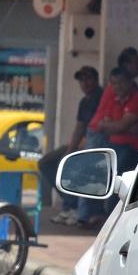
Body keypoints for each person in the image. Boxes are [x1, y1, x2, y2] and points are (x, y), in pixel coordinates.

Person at [78, 66, 138, 227]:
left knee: (115, 174)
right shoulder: (113, 100)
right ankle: (92, 214)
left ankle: (111, 220)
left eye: (121, 82)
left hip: (132, 148)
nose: (118, 87)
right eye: (114, 84)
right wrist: (119, 126)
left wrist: (117, 126)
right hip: (113, 144)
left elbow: (120, 126)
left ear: (130, 82)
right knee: (90, 167)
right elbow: (103, 125)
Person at [39, 66, 102, 225]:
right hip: (81, 143)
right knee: (46, 162)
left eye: (88, 79)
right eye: (81, 80)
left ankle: (72, 206)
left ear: (95, 80)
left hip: (96, 144)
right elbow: (79, 127)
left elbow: (97, 128)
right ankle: (68, 204)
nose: (84, 83)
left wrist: (76, 150)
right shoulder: (84, 101)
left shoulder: (100, 97)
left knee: (74, 165)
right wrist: (70, 150)